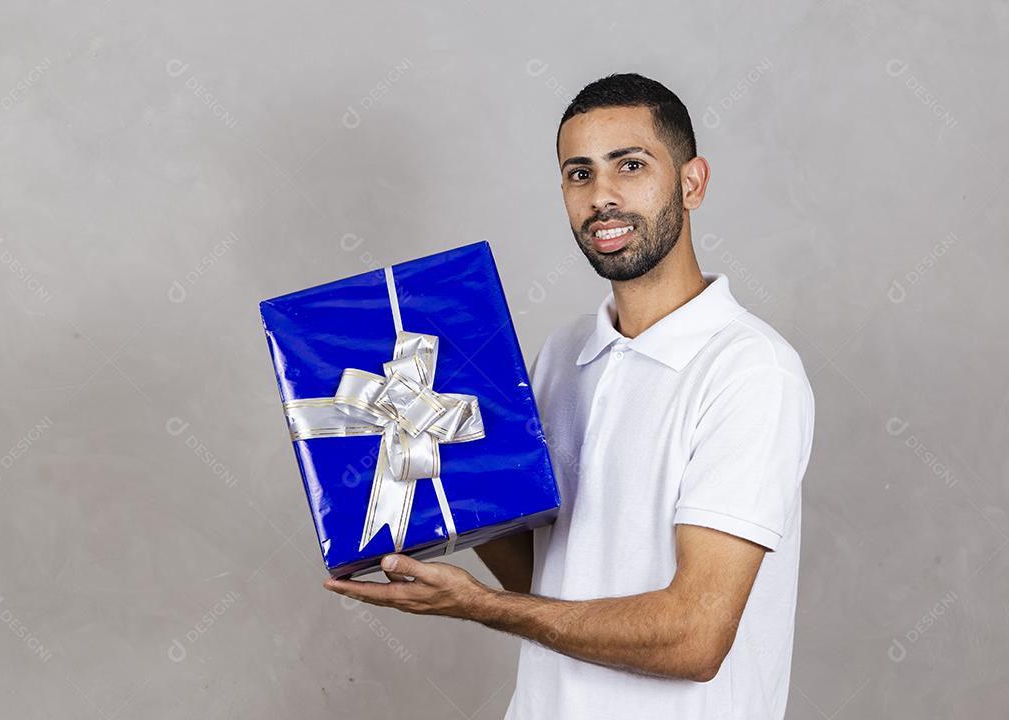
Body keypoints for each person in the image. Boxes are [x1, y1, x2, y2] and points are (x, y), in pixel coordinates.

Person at [323, 72, 816, 720]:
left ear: (692, 182)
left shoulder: (750, 371)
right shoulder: (563, 355)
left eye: (630, 166)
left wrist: (474, 605)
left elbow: (696, 639)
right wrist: (432, 467)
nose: (602, 197)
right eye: (579, 174)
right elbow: (551, 583)